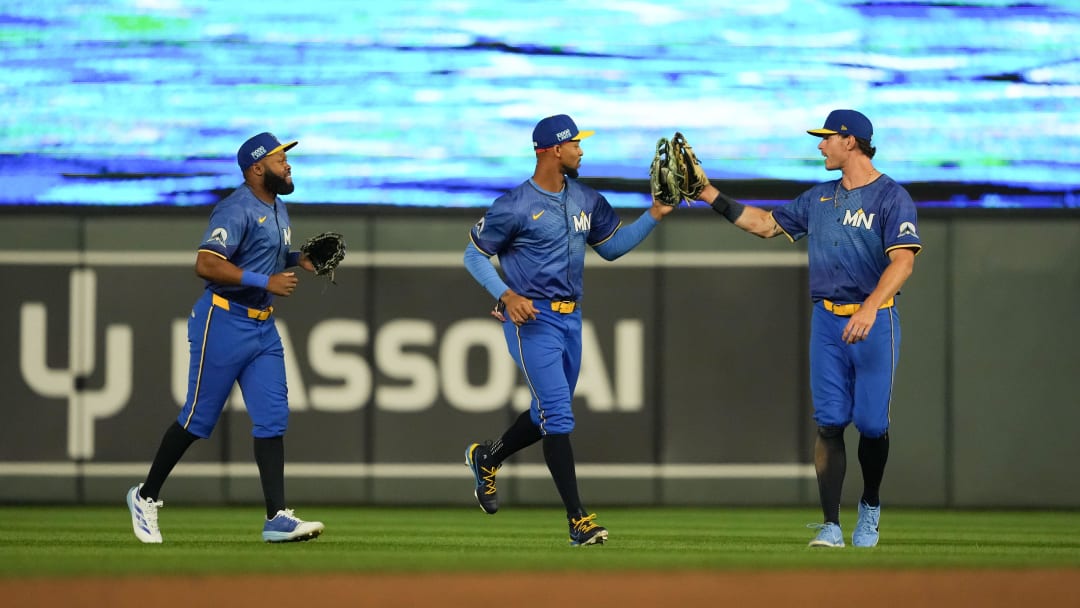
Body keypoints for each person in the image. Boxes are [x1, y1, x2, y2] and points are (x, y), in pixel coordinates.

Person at [688, 110, 922, 548]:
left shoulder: (891, 197)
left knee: (872, 424)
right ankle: (831, 524)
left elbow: (903, 261)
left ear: (850, 141)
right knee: (830, 422)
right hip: (828, 319)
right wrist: (706, 192)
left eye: (827, 138)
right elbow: (763, 225)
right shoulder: (818, 199)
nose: (820, 145)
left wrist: (870, 307)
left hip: (876, 319)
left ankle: (869, 507)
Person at [462, 114, 677, 546]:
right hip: (531, 319)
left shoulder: (585, 198)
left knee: (547, 415)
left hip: (571, 318)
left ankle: (487, 457)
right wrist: (506, 296)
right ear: (553, 150)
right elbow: (473, 254)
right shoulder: (515, 205)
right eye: (575, 143)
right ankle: (578, 520)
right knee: (559, 415)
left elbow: (611, 248)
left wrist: (655, 214)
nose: (581, 149)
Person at [126, 132, 325, 544]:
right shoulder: (236, 208)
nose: (287, 164)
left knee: (272, 419)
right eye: (277, 159)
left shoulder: (278, 207)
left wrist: (298, 259)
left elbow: (262, 254)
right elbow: (206, 263)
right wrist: (264, 279)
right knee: (198, 420)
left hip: (263, 327)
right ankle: (145, 496)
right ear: (256, 169)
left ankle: (276, 518)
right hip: (224, 320)